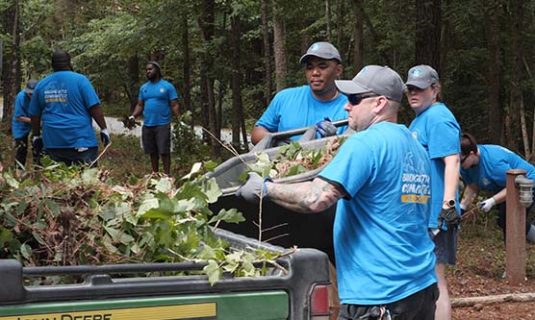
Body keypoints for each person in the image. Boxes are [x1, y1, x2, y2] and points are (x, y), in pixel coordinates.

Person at [239, 65, 438, 319]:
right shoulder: (414, 145)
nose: (347, 106)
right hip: (421, 287)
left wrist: (265, 189)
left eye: (354, 100)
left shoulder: (365, 144)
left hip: (379, 293)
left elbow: (317, 198)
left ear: (379, 103)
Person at [405, 64, 460, 320]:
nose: (413, 93)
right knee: (424, 278)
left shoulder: (439, 117)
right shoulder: (420, 120)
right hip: (421, 212)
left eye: (420, 88)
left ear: (435, 90)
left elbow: (452, 161)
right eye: (410, 89)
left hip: (436, 216)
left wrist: (447, 206)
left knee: (436, 278)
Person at [251, 41, 348, 144]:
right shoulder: (285, 98)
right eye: (310, 67)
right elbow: (256, 133)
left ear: (338, 70)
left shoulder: (350, 108)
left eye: (322, 67)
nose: (315, 73)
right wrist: (276, 140)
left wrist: (335, 141)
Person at [29, 50, 110, 166]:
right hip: (82, 141)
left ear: (52, 65)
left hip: (53, 143)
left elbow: (34, 114)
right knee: (87, 181)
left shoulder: (42, 84)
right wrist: (104, 129)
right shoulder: (81, 80)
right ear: (69, 62)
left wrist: (36, 135)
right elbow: (94, 107)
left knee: (57, 181)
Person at [459, 132, 535, 242]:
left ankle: (514, 255)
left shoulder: (494, 164)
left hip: (526, 183)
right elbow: (472, 187)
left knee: (512, 222)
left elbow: (513, 186)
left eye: (461, 161)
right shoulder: (466, 166)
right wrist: (462, 208)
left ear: (472, 154)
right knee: (504, 222)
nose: (460, 165)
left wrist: (492, 201)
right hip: (505, 186)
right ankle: (511, 255)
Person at [128, 61, 180, 175]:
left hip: (163, 123)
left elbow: (174, 104)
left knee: (164, 151)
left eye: (150, 69)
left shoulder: (167, 86)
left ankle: (167, 175)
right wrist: (133, 116)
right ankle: (155, 174)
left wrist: (180, 120)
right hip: (148, 124)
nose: (148, 71)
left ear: (157, 70)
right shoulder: (144, 88)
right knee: (152, 151)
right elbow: (140, 104)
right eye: (146, 70)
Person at [12, 79, 37, 168]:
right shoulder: (21, 97)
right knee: (21, 150)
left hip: (34, 125)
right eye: (30, 94)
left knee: (37, 148)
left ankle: (37, 172)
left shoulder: (39, 96)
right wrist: (35, 121)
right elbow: (19, 116)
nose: (31, 95)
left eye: (33, 94)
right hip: (20, 127)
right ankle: (18, 174)